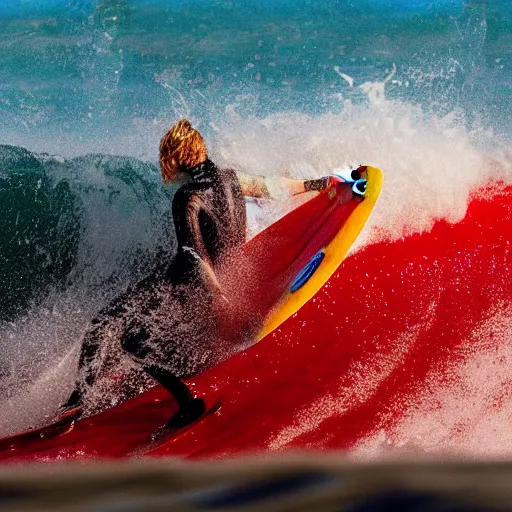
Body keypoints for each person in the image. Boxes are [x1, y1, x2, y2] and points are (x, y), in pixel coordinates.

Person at [61, 119, 330, 428]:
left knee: (109, 329)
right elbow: (273, 186)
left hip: (185, 285)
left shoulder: (188, 197)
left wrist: (217, 294)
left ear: (179, 156)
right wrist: (316, 184)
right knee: (134, 337)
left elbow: (192, 253)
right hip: (209, 280)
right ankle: (94, 399)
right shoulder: (232, 179)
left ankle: (87, 403)